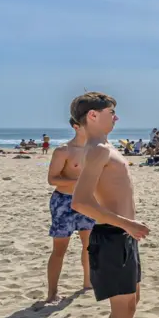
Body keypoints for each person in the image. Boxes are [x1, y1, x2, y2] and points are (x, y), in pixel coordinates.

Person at [70, 92, 147, 318]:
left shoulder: (104, 148)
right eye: (111, 112)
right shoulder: (98, 150)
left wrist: (126, 226)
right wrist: (125, 222)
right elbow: (80, 201)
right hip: (114, 237)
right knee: (121, 313)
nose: (116, 117)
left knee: (130, 305)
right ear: (92, 115)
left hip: (122, 236)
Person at [45, 119, 96, 302]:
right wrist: (79, 183)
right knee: (60, 249)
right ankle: (52, 293)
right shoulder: (64, 151)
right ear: (76, 126)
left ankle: (88, 283)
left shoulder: (96, 150)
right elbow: (52, 179)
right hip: (64, 202)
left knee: (89, 246)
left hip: (88, 201)